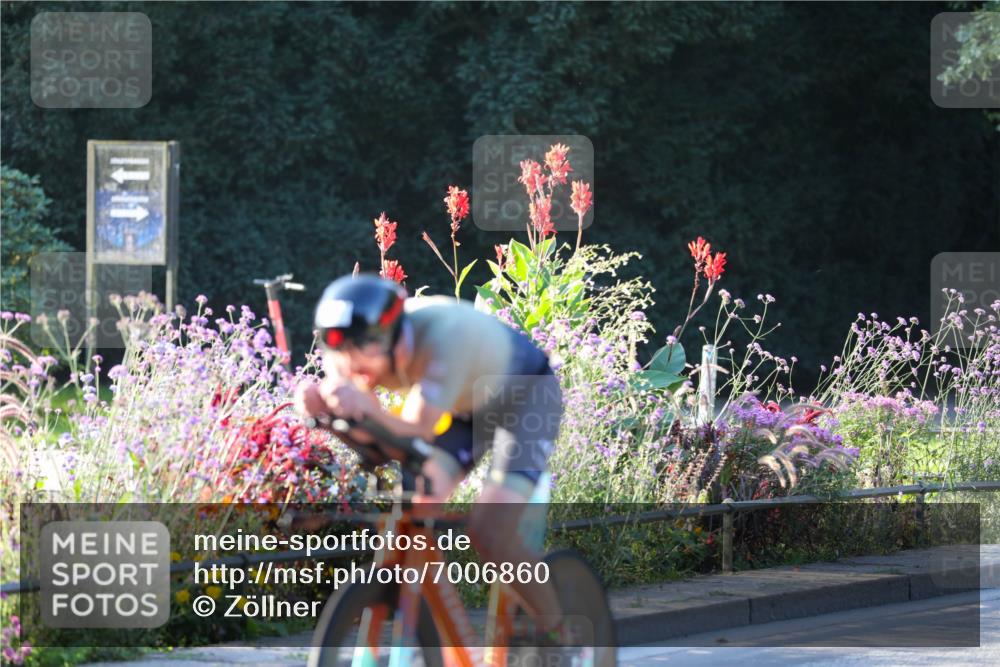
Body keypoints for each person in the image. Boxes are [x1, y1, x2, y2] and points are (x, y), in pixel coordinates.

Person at [294, 273, 566, 638]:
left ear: (393, 335)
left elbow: (417, 429)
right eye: (341, 355)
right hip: (463, 409)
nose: (355, 366)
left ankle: (563, 636)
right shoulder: (348, 347)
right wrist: (325, 415)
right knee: (419, 497)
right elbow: (391, 446)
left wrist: (364, 410)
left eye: (369, 351)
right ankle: (444, 627)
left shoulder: (444, 336)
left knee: (490, 531)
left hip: (525, 397)